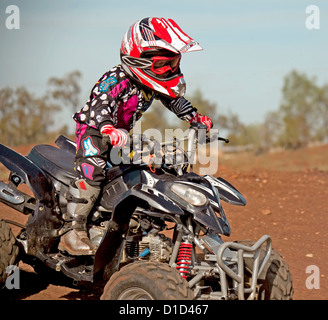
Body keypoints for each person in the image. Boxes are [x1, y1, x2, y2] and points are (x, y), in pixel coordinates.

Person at [58, 17, 213, 255]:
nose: (170, 70)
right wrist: (107, 128)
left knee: (142, 171)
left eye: (174, 63)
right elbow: (101, 103)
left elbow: (174, 101)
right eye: (163, 65)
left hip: (121, 136)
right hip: (95, 131)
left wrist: (195, 117)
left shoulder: (150, 84)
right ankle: (73, 230)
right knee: (93, 173)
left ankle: (129, 227)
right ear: (137, 60)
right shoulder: (115, 79)